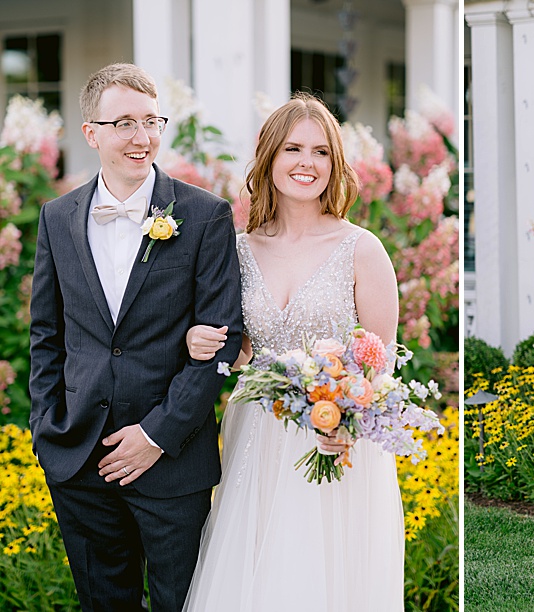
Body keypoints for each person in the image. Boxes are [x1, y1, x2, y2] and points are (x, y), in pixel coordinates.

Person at [28, 63, 243, 611]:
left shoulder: (204, 216)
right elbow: (46, 336)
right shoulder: (57, 217)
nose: (141, 138)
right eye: (123, 123)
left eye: (151, 120)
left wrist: (157, 434)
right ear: (91, 133)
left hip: (173, 461)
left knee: (182, 603)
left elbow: (222, 339)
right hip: (80, 461)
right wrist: (47, 430)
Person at [182, 92, 405, 611]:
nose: (307, 163)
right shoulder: (237, 248)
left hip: (334, 440)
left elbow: (383, 359)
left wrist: (344, 424)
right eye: (293, 149)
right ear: (268, 158)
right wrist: (198, 341)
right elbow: (237, 350)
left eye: (321, 152)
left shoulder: (361, 248)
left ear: (336, 163)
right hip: (255, 434)